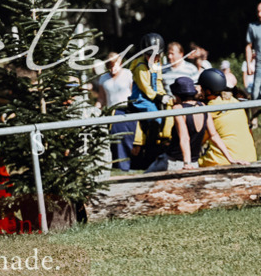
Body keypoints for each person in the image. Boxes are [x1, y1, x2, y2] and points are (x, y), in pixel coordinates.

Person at [146, 78, 243, 172]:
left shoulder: (178, 108)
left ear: (177, 95)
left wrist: (186, 162)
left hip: (175, 162)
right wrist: (231, 159)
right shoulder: (202, 106)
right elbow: (214, 135)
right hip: (194, 163)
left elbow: (184, 137)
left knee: (143, 182)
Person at [197, 68, 257, 167]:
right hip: (250, 157)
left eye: (202, 89)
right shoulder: (235, 102)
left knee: (195, 163)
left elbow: (200, 138)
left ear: (208, 91)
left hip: (224, 160)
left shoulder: (210, 109)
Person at [128, 33, 170, 165]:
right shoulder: (140, 66)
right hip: (141, 98)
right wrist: (157, 96)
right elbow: (145, 86)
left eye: (157, 55)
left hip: (153, 96)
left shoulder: (157, 63)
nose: (154, 57)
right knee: (155, 117)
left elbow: (158, 81)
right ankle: (150, 153)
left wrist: (163, 94)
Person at [96, 52, 137, 171]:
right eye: (109, 65)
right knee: (116, 140)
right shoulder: (103, 78)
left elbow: (132, 93)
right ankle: (120, 166)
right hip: (112, 112)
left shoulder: (128, 74)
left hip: (127, 111)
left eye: (115, 65)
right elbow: (101, 99)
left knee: (127, 139)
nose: (112, 68)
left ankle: (129, 165)